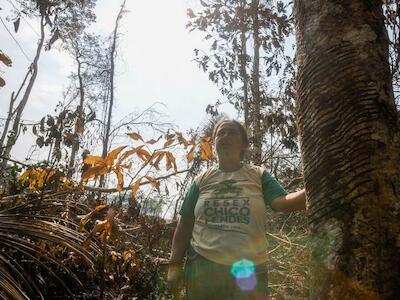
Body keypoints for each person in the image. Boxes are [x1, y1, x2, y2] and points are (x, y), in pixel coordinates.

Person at [167, 118, 306, 299]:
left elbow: (283, 202)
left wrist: (317, 184)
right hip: (203, 268)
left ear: (244, 144)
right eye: (220, 133)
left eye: (232, 132)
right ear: (214, 143)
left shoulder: (258, 175)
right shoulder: (201, 180)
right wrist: (174, 266)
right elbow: (184, 225)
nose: (225, 136)